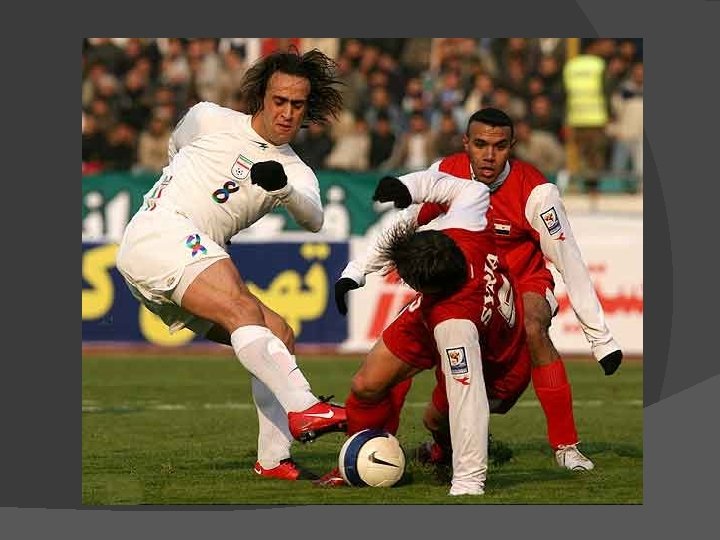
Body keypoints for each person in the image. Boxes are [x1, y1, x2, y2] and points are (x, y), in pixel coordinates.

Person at [338, 107, 623, 472]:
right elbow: (404, 223)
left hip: (519, 285)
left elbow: (571, 262)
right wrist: (357, 271)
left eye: (499, 146)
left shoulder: (537, 193)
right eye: (480, 145)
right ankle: (408, 447)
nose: (489, 155)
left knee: (533, 326)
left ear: (512, 147)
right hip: (465, 284)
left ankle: (566, 447)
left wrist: (601, 341)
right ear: (465, 143)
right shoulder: (447, 172)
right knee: (419, 394)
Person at [115, 48, 347, 482]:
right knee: (243, 308)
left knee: (279, 333)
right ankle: (305, 407)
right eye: (279, 101)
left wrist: (283, 190)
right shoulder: (208, 118)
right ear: (262, 97)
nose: (287, 113)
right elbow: (177, 146)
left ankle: (273, 459)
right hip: (161, 230)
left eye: (297, 105)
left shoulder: (295, 171)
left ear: (307, 109)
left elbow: (314, 218)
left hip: (181, 253)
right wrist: (180, 185)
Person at [322, 171, 531, 495]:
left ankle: (445, 456)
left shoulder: (453, 324)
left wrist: (468, 481)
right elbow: (460, 186)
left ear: (425, 288)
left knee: (437, 418)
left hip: (499, 363)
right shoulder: (469, 224)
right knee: (367, 385)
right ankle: (361, 455)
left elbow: (469, 400)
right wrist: (407, 186)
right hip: (438, 316)